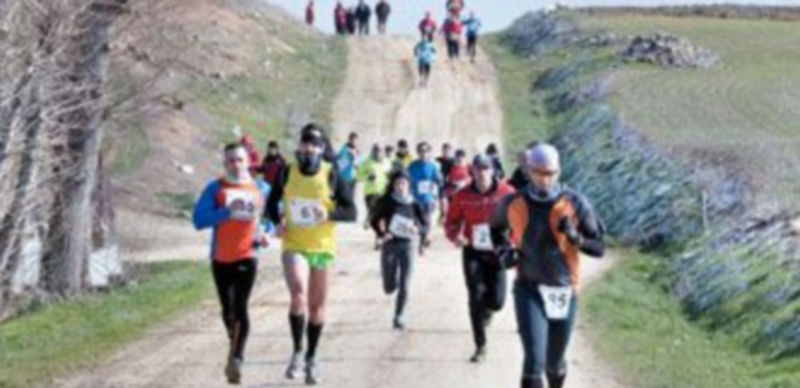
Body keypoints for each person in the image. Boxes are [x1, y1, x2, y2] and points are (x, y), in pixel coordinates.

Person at [490, 143, 606, 388]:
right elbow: (496, 229)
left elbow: (599, 247)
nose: (545, 179)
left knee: (554, 364)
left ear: (558, 171)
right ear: (529, 171)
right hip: (529, 288)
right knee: (534, 361)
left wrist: (576, 238)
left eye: (550, 173)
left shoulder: (575, 202)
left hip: (564, 289)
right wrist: (504, 252)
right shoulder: (513, 202)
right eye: (539, 173)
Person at [266, 127, 357, 385]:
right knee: (298, 293)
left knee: (317, 309)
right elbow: (271, 203)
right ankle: (297, 351)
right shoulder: (287, 171)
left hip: (323, 248)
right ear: (299, 146)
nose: (308, 148)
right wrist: (277, 222)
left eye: (314, 144)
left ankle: (311, 358)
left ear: (321, 148)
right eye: (305, 143)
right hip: (294, 244)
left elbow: (351, 211)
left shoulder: (332, 173)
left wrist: (328, 214)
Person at [193, 143, 272, 385]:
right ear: (224, 163)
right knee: (227, 310)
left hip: (248, 254)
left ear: (248, 161)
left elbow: (271, 216)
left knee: (240, 307)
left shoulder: (261, 188)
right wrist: (225, 213)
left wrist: (265, 233)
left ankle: (237, 358)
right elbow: (198, 220)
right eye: (231, 160)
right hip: (221, 258)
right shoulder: (216, 188)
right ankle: (235, 345)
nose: (236, 165)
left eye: (240, 160)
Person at [445, 154, 515, 363]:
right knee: (475, 295)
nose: (482, 173)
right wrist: (455, 236)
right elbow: (451, 221)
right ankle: (480, 346)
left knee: (498, 301)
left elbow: (520, 219)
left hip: (498, 251)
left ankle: (489, 310)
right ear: (472, 171)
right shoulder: (462, 195)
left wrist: (512, 241)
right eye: (478, 169)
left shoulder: (507, 192)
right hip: (473, 250)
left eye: (486, 168)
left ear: (493, 170)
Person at [370, 170, 429, 329]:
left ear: (409, 185)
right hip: (390, 245)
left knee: (405, 284)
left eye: (403, 183)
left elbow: (425, 224)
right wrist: (383, 234)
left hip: (408, 245)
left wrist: (418, 230)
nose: (400, 186)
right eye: (397, 183)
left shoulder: (414, 204)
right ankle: (391, 283)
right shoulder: (388, 202)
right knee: (389, 287)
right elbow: (374, 220)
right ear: (393, 185)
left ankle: (399, 315)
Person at [407, 141, 445, 251]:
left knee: (427, 221)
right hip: (415, 200)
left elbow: (440, 182)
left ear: (429, 152)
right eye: (421, 151)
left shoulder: (433, 166)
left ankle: (422, 243)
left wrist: (437, 187)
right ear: (418, 152)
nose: (423, 153)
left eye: (426, 151)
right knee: (417, 223)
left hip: (429, 200)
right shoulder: (412, 166)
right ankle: (423, 239)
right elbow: (406, 180)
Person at [357, 144, 391, 231]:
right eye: (376, 150)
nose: (378, 153)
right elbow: (358, 176)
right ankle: (369, 219)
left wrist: (389, 178)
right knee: (373, 209)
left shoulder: (387, 162)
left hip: (383, 191)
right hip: (370, 191)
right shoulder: (367, 162)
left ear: (383, 152)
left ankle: (373, 223)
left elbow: (390, 174)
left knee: (380, 215)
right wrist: (368, 177)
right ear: (372, 151)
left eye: (380, 151)